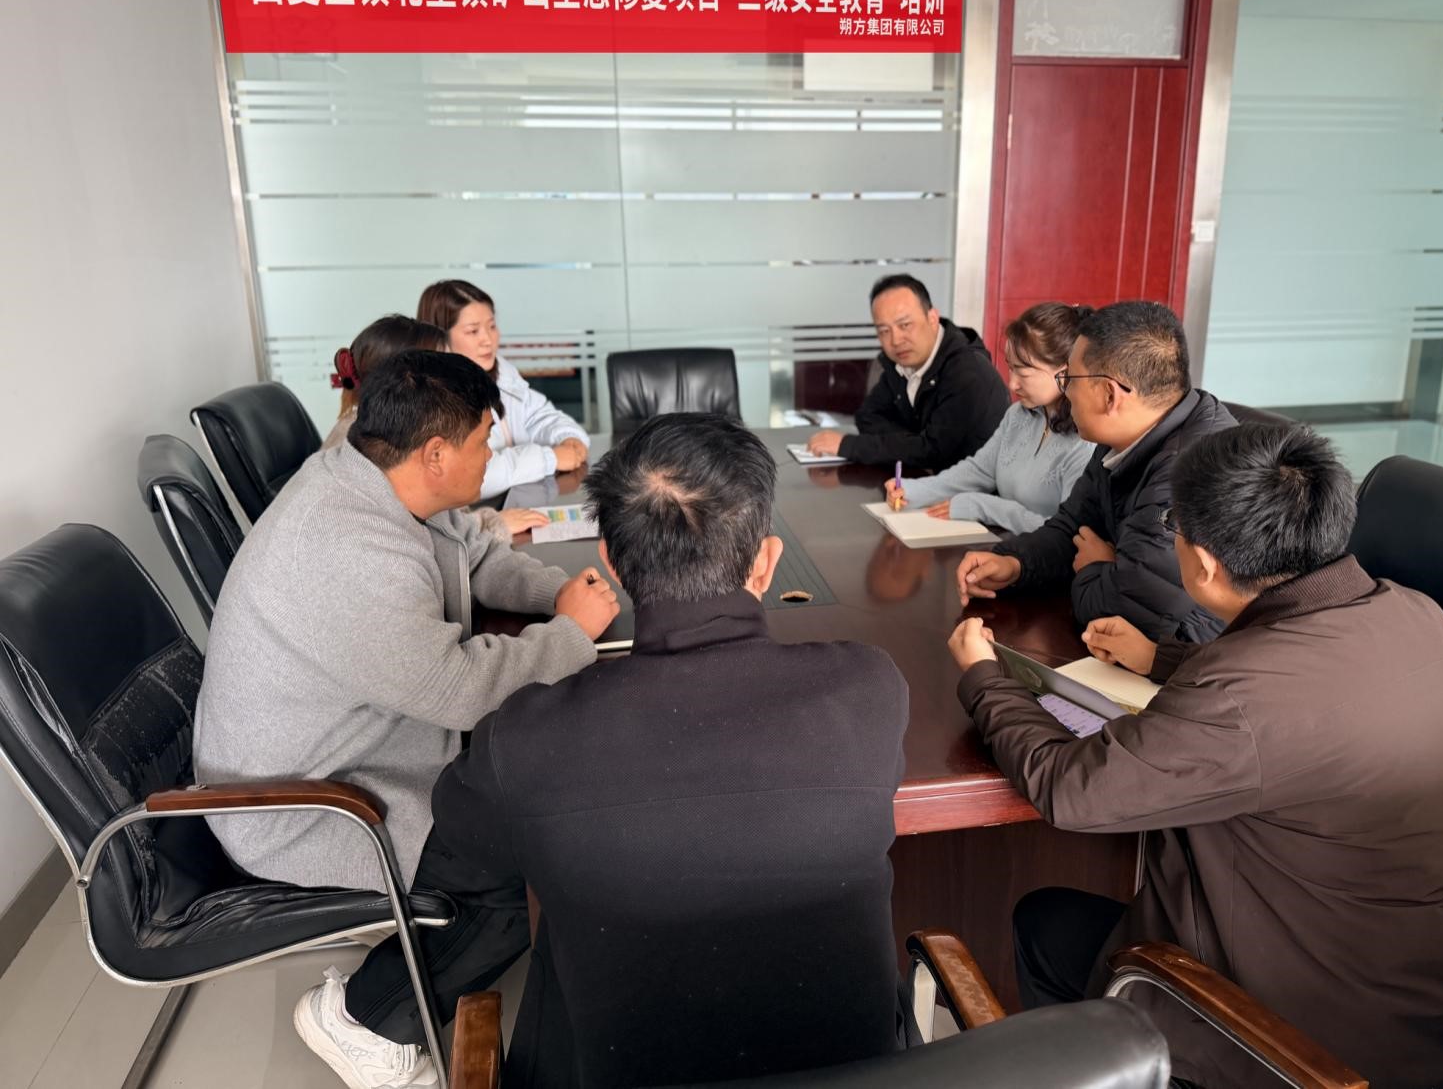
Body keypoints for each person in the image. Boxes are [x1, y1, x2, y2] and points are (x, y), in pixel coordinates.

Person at [947, 423, 1443, 1089]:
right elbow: (1312, 696)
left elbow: (1072, 790)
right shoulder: (1419, 614)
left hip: (1314, 1055)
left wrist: (985, 677)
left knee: (1044, 924)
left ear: (1205, 563)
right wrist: (1161, 657)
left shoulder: (1239, 695)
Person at [431, 413, 911, 1088]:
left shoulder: (528, 738)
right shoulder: (867, 689)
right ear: (767, 561)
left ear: (610, 561)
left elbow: (464, 836)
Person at [194, 350, 621, 1089]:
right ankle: (362, 1018)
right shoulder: (348, 548)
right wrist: (569, 637)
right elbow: (457, 688)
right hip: (308, 798)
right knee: (532, 868)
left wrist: (555, 599)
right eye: (485, 441)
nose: (493, 454)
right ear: (436, 454)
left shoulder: (378, 477)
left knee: (539, 793)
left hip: (356, 740)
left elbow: (473, 554)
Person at [955, 301, 1235, 643]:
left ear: (1109, 395)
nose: (1066, 391)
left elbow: (1128, 616)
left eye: (1069, 379)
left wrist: (1094, 568)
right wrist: (1014, 564)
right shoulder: (1122, 437)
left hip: (1196, 658)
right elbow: (1072, 527)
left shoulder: (1191, 472)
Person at [325, 314, 548, 541]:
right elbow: (425, 535)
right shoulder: (372, 446)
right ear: (403, 380)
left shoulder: (383, 428)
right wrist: (492, 525)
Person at [884, 303, 1094, 534]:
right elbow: (980, 470)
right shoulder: (1018, 415)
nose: (1012, 384)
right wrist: (912, 491)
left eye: (1023, 373)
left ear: (1065, 373)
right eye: (1011, 368)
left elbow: (1067, 534)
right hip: (1007, 546)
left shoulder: (1086, 442)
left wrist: (983, 506)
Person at [805, 273, 1009, 471]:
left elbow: (933, 452)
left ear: (932, 318)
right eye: (884, 331)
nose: (895, 340)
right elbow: (867, 416)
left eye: (905, 325)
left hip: (978, 490)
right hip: (930, 482)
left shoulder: (967, 372)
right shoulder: (902, 364)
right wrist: (911, 444)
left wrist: (849, 446)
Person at [417, 279, 590, 500]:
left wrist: (569, 437)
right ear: (441, 339)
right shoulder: (434, 397)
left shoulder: (501, 372)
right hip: (475, 514)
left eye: (491, 326)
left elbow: (538, 414)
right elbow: (472, 475)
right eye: (473, 331)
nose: (487, 340)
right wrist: (550, 458)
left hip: (519, 498)